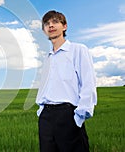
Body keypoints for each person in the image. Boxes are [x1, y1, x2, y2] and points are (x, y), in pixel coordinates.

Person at [36, 10, 97, 152]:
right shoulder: (48, 58)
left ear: (64, 26)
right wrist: (41, 112)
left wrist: (79, 116)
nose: (50, 25)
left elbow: (88, 83)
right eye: (47, 23)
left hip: (68, 115)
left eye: (55, 22)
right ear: (44, 30)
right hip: (46, 117)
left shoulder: (78, 50)